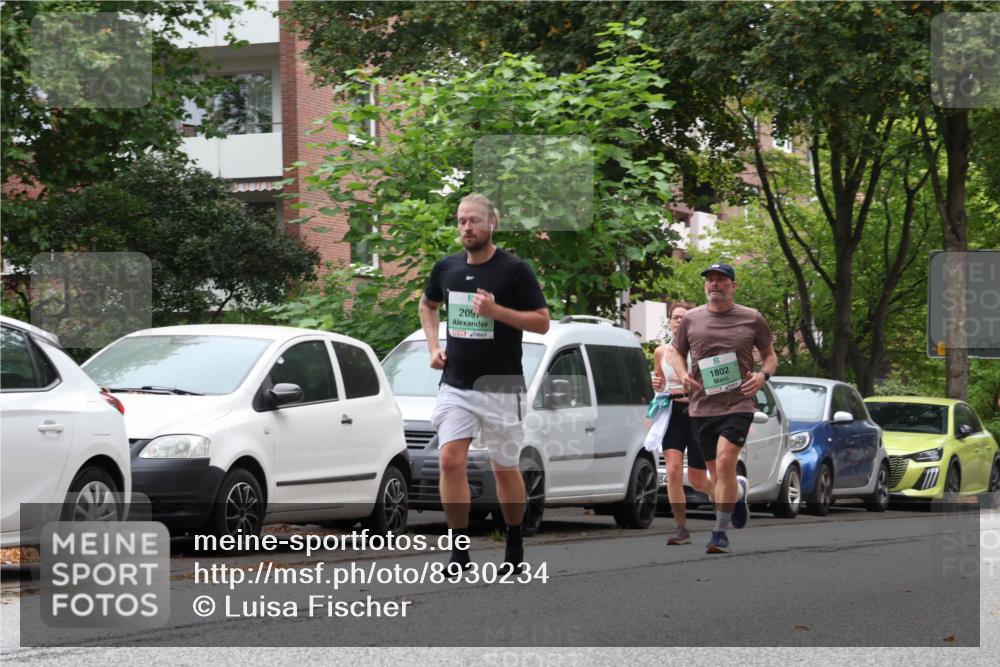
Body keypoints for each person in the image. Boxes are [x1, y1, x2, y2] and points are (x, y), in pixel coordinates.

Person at [418, 193, 550, 574]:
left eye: (473, 220)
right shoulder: (447, 269)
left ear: (493, 222)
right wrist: (432, 346)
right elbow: (428, 305)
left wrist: (496, 312)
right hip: (456, 384)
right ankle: (459, 553)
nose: (466, 227)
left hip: (502, 386)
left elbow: (541, 322)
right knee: (449, 460)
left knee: (504, 468)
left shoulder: (514, 270)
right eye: (461, 221)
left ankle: (513, 543)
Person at [666, 263, 777, 554]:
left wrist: (762, 375)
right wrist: (681, 373)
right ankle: (737, 494)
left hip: (738, 402)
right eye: (710, 280)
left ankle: (719, 532)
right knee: (716, 476)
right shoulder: (692, 319)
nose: (714, 284)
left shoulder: (752, 318)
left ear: (733, 286)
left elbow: (769, 355)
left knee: (726, 461)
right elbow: (675, 351)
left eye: (721, 280)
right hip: (702, 407)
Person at [651, 301, 715, 545]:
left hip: (697, 412)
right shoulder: (661, 352)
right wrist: (657, 386)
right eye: (675, 317)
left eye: (684, 317)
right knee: (674, 471)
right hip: (673, 412)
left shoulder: (702, 349)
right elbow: (659, 382)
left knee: (698, 480)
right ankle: (681, 528)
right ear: (669, 321)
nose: (679, 320)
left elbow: (715, 382)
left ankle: (726, 497)